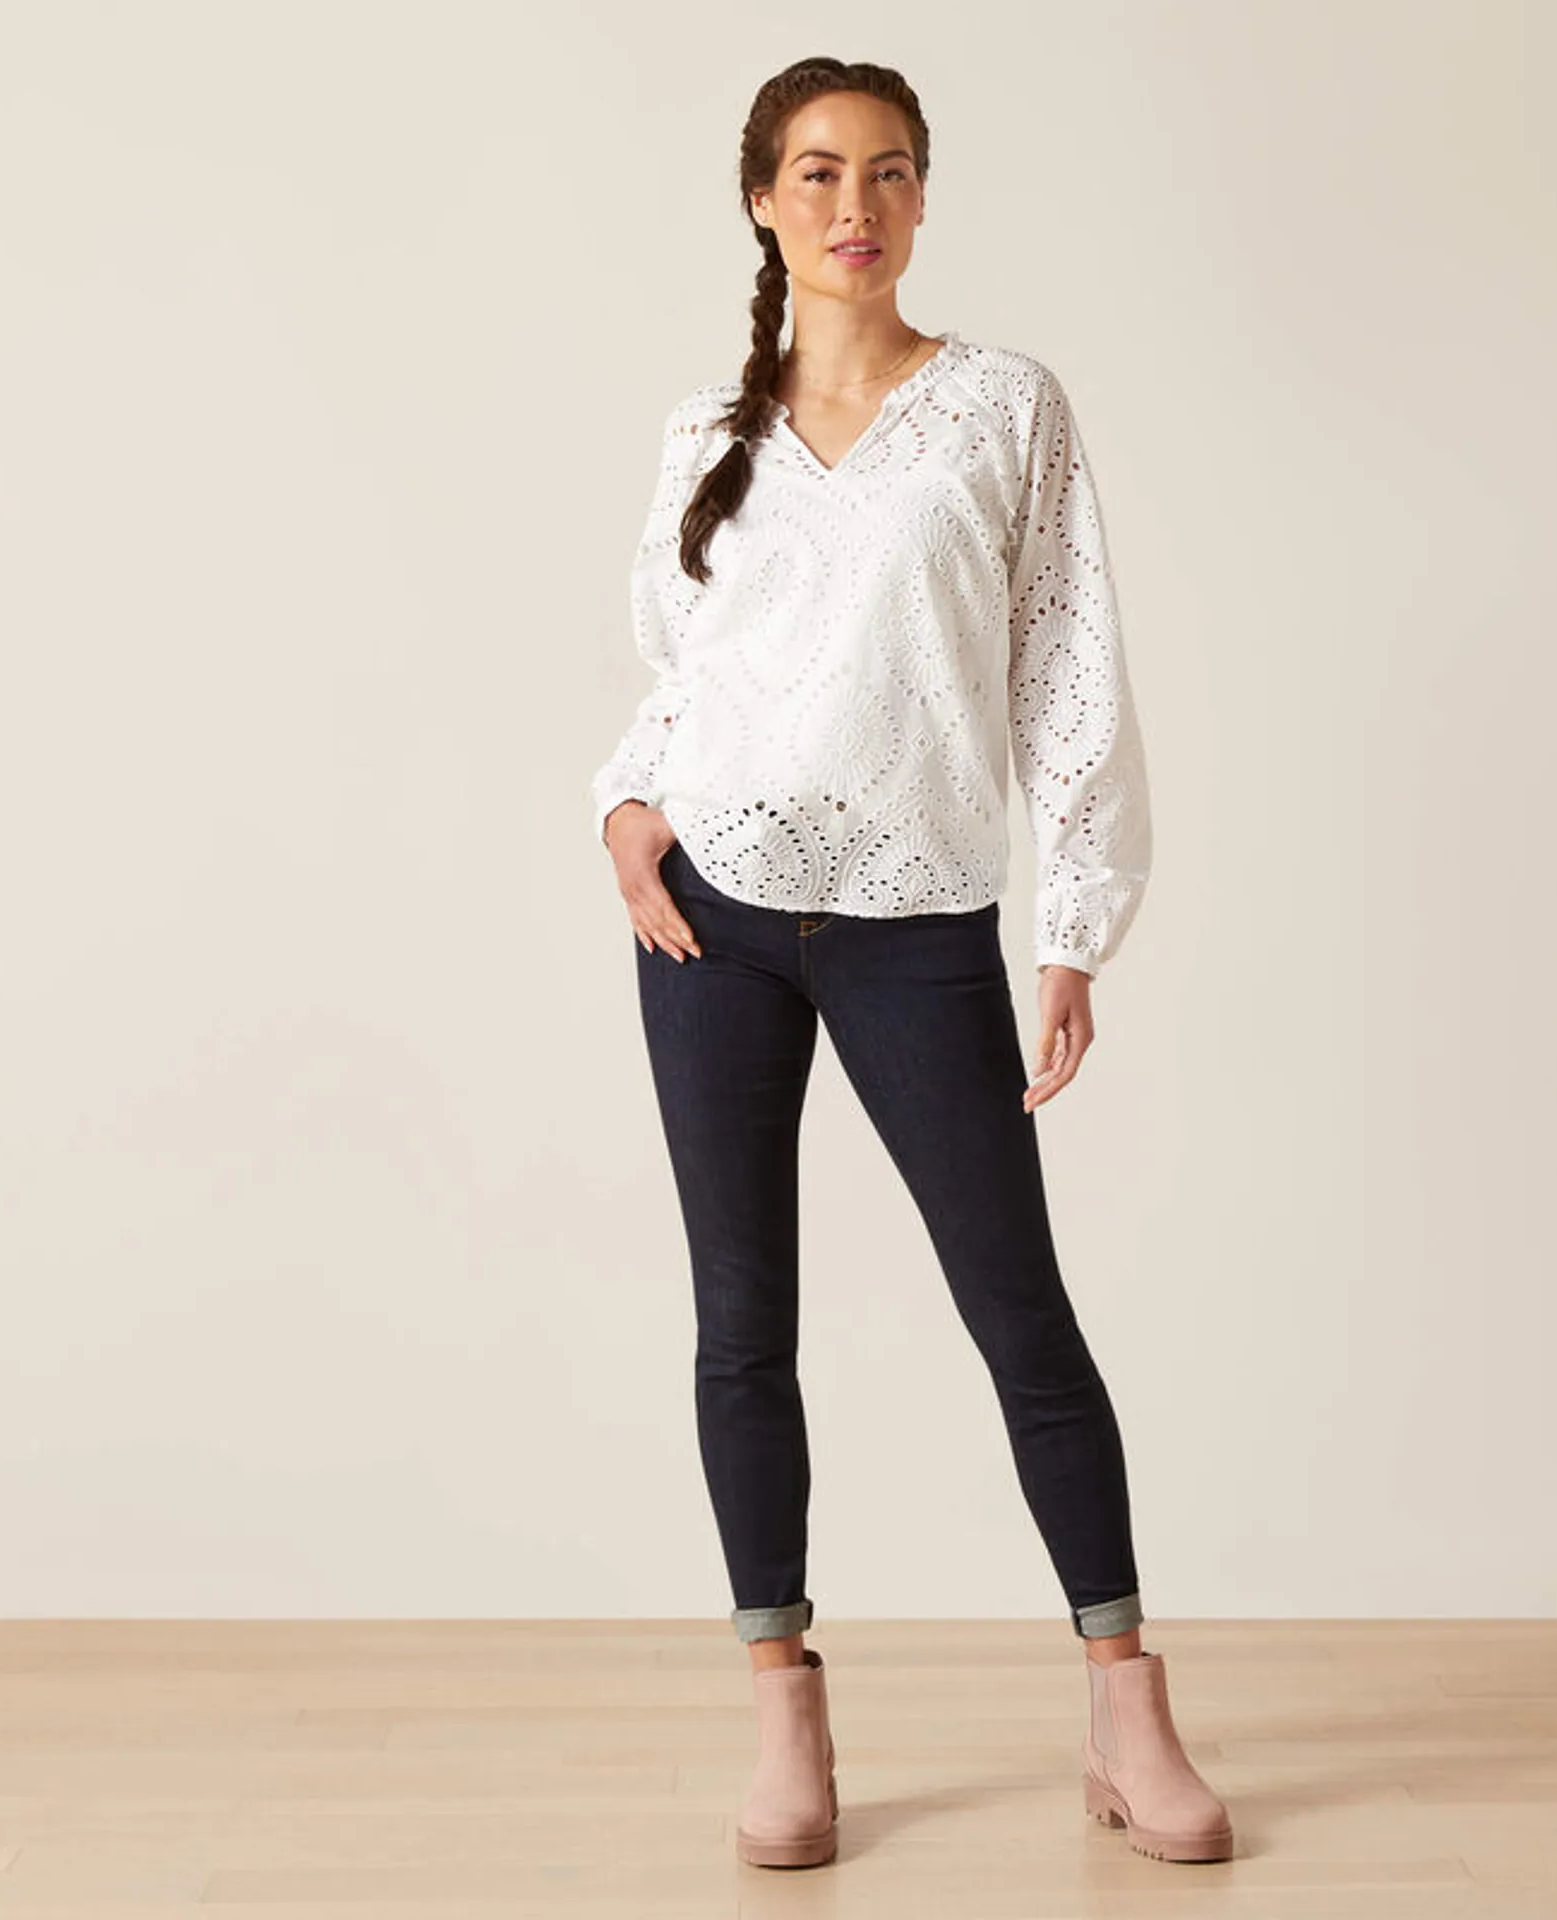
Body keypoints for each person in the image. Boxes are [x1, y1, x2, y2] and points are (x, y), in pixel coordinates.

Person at [590, 57, 1234, 1870]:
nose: (852, 206)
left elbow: (1067, 666)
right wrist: (626, 804)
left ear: (925, 196)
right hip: (707, 918)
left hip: (918, 924)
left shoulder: (1001, 409)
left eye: (885, 172)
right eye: (816, 173)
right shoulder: (705, 433)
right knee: (743, 1323)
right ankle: (784, 1710)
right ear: (762, 202)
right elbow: (686, 672)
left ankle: (1126, 1706)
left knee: (1019, 1312)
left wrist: (1076, 925)